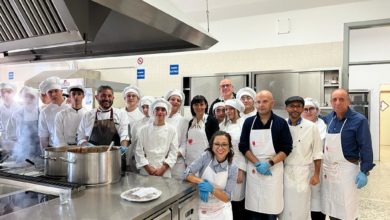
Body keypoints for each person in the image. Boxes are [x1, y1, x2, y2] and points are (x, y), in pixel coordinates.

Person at [321, 89, 375, 220]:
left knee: (347, 209)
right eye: (334, 99)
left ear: (348, 101)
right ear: (330, 102)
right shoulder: (329, 118)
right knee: (332, 206)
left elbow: (365, 146)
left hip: (347, 170)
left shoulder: (359, 120)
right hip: (329, 169)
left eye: (341, 99)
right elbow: (313, 120)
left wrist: (364, 171)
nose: (337, 102)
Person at [239, 90, 292, 220]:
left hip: (273, 170)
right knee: (254, 212)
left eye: (265, 101)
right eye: (258, 102)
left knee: (271, 212)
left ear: (272, 103)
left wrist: (269, 163)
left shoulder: (280, 123)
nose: (261, 105)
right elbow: (243, 146)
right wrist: (257, 163)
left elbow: (286, 148)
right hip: (254, 170)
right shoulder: (248, 122)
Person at [279, 96, 323, 220]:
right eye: (292, 106)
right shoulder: (281, 125)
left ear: (302, 108)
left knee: (302, 209)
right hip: (284, 172)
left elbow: (317, 153)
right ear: (286, 108)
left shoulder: (312, 127)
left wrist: (316, 175)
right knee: (284, 209)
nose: (295, 109)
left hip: (303, 174)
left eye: (298, 106)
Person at [185, 131, 238, 220]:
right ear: (212, 146)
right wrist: (202, 182)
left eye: (224, 144)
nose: (220, 148)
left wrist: (211, 189)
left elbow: (227, 197)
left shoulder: (232, 167)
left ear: (229, 148)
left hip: (222, 211)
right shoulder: (206, 157)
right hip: (203, 208)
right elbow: (187, 173)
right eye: (217, 144)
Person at [135, 98, 178, 178]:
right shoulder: (143, 130)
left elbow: (173, 152)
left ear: (166, 112)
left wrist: (163, 169)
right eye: (157, 109)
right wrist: (148, 168)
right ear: (153, 112)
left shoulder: (172, 130)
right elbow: (138, 151)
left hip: (164, 169)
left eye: (163, 109)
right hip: (146, 169)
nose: (160, 112)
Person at [77, 85, 129, 149]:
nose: (107, 98)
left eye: (109, 96)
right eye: (103, 96)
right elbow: (80, 137)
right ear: (96, 97)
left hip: (114, 154)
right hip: (92, 155)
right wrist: (87, 145)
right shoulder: (88, 115)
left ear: (113, 98)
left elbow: (124, 134)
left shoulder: (121, 114)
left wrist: (123, 147)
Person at [221, 99, 247, 220]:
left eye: (231, 108)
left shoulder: (244, 124)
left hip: (238, 166)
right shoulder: (225, 125)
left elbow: (244, 148)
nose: (228, 111)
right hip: (224, 167)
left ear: (237, 110)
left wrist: (241, 170)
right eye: (226, 109)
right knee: (226, 201)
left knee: (237, 201)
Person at [302, 97, 327, 220]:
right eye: (305, 109)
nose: (308, 111)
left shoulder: (324, 126)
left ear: (317, 110)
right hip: (300, 170)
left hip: (319, 169)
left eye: (311, 108)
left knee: (318, 203)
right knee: (301, 204)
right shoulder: (293, 123)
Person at [184, 95, 219, 167]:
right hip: (190, 161)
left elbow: (216, 142)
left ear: (206, 105)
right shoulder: (191, 122)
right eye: (196, 105)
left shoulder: (212, 120)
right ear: (192, 106)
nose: (199, 107)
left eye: (201, 104)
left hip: (206, 161)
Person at [9, 86, 40, 162]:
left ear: (35, 98)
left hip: (38, 148)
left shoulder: (41, 112)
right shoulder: (16, 113)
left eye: (31, 97)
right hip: (22, 148)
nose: (28, 99)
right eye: (26, 97)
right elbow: (9, 132)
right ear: (22, 98)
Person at [38, 77, 69, 149]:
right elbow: (43, 136)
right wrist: (45, 155)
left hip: (73, 148)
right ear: (46, 94)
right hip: (55, 149)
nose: (53, 94)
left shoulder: (71, 106)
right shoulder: (45, 112)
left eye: (56, 91)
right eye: (50, 92)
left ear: (61, 91)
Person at [164, 89, 188, 180]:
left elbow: (184, 144)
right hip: (160, 161)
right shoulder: (160, 118)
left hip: (176, 164)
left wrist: (172, 156)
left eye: (178, 100)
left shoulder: (184, 121)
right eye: (173, 99)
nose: (175, 102)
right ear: (167, 101)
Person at [128, 96, 155, 172]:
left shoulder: (158, 122)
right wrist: (128, 162)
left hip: (155, 159)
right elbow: (132, 143)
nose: (145, 110)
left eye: (148, 107)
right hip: (139, 159)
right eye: (143, 107)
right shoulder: (137, 124)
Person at [0, 82, 20, 152]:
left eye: (8, 91)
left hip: (18, 143)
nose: (5, 94)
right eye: (2, 92)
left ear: (13, 93)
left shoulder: (20, 108)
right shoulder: (0, 108)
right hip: (3, 143)